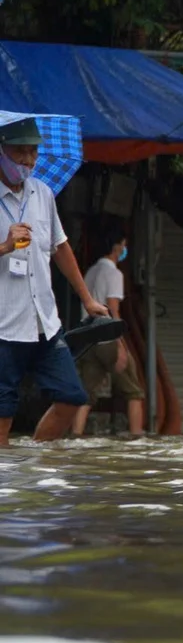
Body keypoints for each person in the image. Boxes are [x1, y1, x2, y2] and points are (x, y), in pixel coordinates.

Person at [0, 117, 111, 445]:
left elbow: (60, 247)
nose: (29, 161)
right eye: (20, 152)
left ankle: (33, 463)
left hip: (44, 322)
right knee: (3, 414)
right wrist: (5, 247)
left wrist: (87, 299)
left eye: (33, 152)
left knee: (72, 396)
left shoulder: (43, 194)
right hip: (4, 327)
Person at [75, 223, 143, 435]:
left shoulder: (91, 272)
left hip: (89, 340)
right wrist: (121, 345)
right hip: (107, 340)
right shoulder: (114, 274)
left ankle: (74, 436)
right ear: (116, 247)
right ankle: (137, 439)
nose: (125, 249)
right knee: (134, 392)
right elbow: (113, 309)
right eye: (123, 245)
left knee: (86, 394)